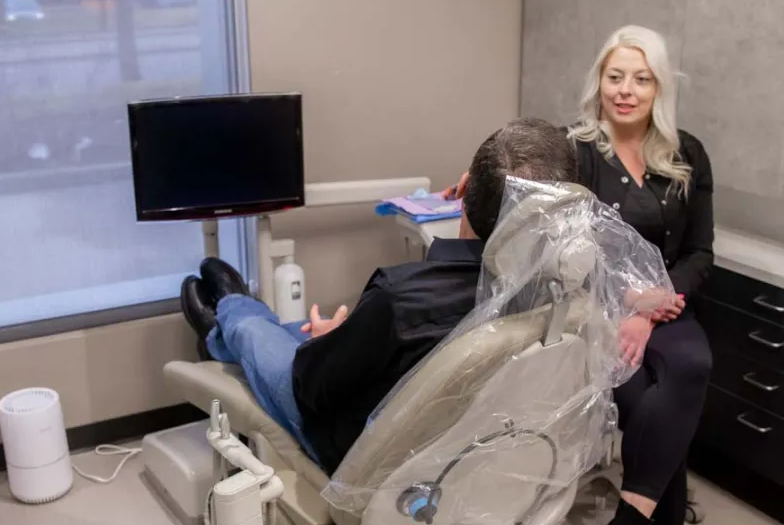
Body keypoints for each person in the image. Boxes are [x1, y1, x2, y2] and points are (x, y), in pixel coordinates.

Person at [446, 26, 713, 525]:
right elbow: (527, 192)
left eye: (641, 78)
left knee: (690, 366)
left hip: (667, 307)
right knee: (656, 406)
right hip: (602, 308)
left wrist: (658, 303)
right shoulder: (576, 149)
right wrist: (478, 181)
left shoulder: (687, 153)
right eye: (615, 76)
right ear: (599, 80)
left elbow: (702, 251)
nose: (626, 90)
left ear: (659, 87)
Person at [180, 117, 578, 479]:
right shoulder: (558, 294)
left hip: (359, 456)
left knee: (255, 331)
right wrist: (346, 337)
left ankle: (227, 316)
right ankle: (234, 327)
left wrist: (324, 342)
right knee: (291, 328)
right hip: (471, 457)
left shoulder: (401, 299)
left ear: (463, 187)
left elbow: (311, 389)